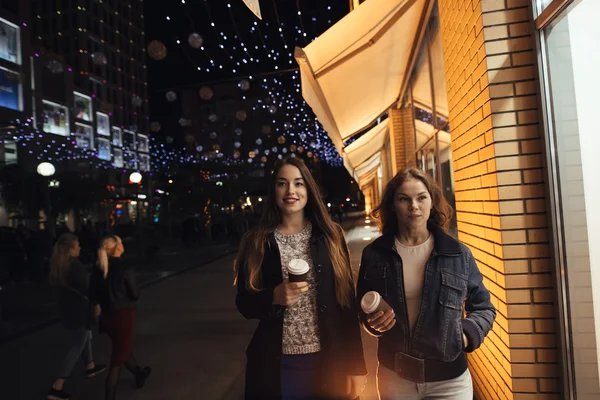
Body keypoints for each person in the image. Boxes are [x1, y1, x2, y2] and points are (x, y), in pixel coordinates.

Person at [234, 157, 367, 400]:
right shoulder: (257, 241)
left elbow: (347, 305)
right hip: (276, 365)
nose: (290, 191)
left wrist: (356, 366)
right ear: (273, 190)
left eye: (298, 183)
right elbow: (244, 303)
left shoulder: (331, 236)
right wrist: (272, 296)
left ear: (309, 189)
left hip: (329, 361)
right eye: (282, 184)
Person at [356, 168, 496, 399]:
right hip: (395, 377)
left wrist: (464, 335)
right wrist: (372, 324)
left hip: (450, 381)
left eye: (421, 197)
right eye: (404, 199)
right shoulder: (374, 254)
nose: (414, 205)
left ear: (432, 202)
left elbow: (484, 307)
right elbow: (364, 309)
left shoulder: (457, 254)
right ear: (392, 205)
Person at [90, 236, 151, 400]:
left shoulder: (99, 268)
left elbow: (92, 295)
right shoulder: (125, 268)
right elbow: (135, 294)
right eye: (121, 242)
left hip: (107, 316)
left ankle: (139, 373)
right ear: (117, 247)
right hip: (123, 316)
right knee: (117, 359)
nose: (123, 245)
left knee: (121, 349)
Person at [47, 233, 106, 400]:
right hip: (80, 310)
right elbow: (87, 288)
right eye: (78, 245)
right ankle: (57, 386)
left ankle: (90, 365)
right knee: (77, 344)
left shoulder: (58, 265)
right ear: (71, 248)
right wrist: (96, 303)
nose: (80, 247)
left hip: (67, 310)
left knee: (84, 336)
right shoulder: (75, 266)